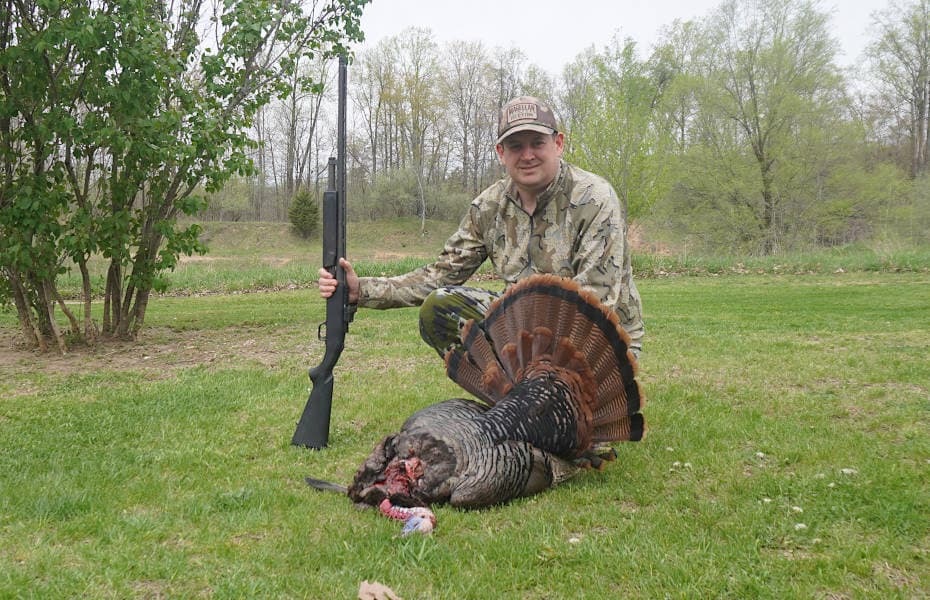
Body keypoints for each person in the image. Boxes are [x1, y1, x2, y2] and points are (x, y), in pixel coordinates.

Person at [318, 96, 644, 359]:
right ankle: (515, 397)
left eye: (537, 143)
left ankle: (554, 408)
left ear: (558, 144)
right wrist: (362, 290)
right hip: (526, 333)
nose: (527, 155)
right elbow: (441, 275)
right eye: (516, 146)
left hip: (599, 340)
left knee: (567, 437)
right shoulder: (488, 207)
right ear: (502, 153)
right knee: (440, 307)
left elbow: (596, 302)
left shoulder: (594, 199)